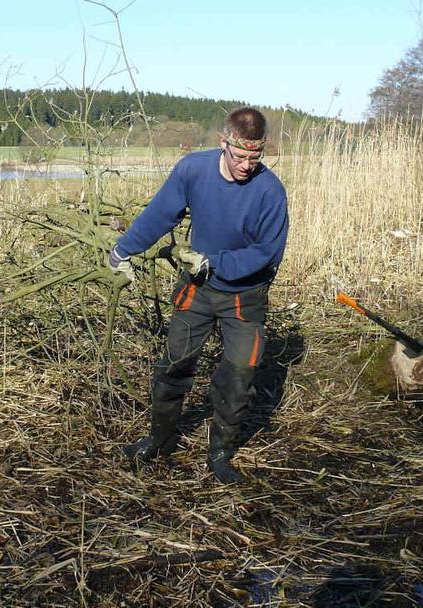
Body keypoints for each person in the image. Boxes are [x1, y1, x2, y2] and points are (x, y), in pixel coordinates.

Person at [107, 107, 289, 484]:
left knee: (238, 377)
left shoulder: (270, 192)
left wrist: (216, 263)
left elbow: (266, 253)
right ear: (224, 143)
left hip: (244, 295)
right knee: (174, 364)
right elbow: (159, 215)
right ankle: (159, 440)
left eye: (255, 158)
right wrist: (124, 249)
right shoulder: (193, 170)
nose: (246, 166)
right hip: (199, 290)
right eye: (239, 156)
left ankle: (220, 454)